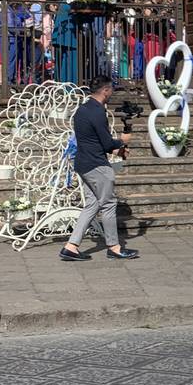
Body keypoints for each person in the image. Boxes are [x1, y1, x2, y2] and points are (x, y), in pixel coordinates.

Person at [60, 75, 137, 261]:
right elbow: (105, 143)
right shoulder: (97, 112)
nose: (112, 93)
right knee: (109, 204)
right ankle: (114, 247)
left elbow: (91, 141)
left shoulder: (82, 109)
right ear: (105, 90)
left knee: (92, 204)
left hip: (83, 163)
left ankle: (71, 247)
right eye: (111, 89)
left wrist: (118, 150)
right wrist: (122, 141)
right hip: (97, 165)